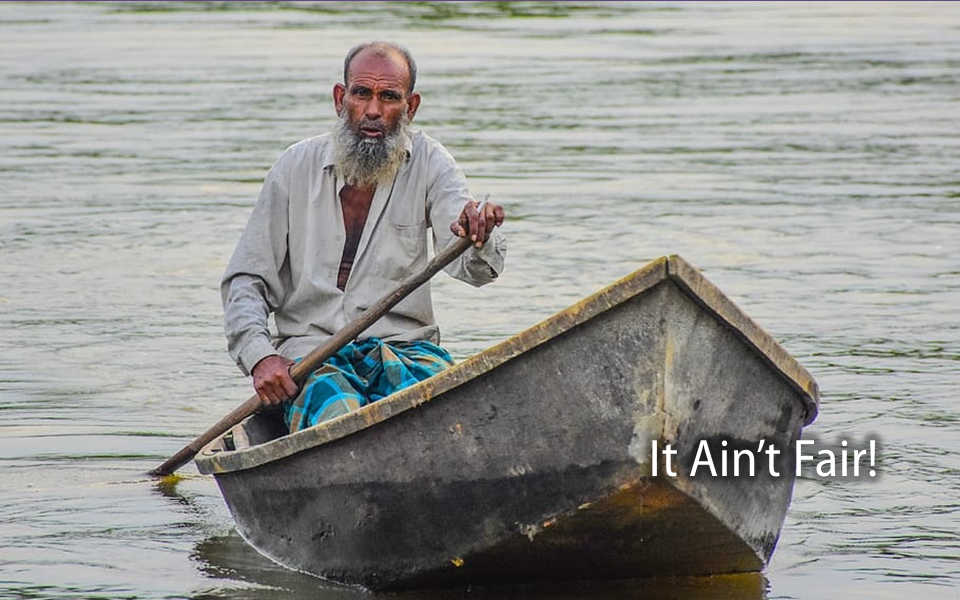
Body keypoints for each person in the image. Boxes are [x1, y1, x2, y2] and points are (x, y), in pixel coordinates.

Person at [221, 41, 506, 433]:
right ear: (341, 99)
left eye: (389, 97)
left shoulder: (431, 163)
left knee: (451, 423)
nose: (373, 110)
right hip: (311, 359)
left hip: (408, 351)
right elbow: (246, 281)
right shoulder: (294, 168)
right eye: (361, 94)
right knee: (338, 421)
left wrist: (477, 235)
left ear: (411, 107)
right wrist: (261, 358)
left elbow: (475, 270)